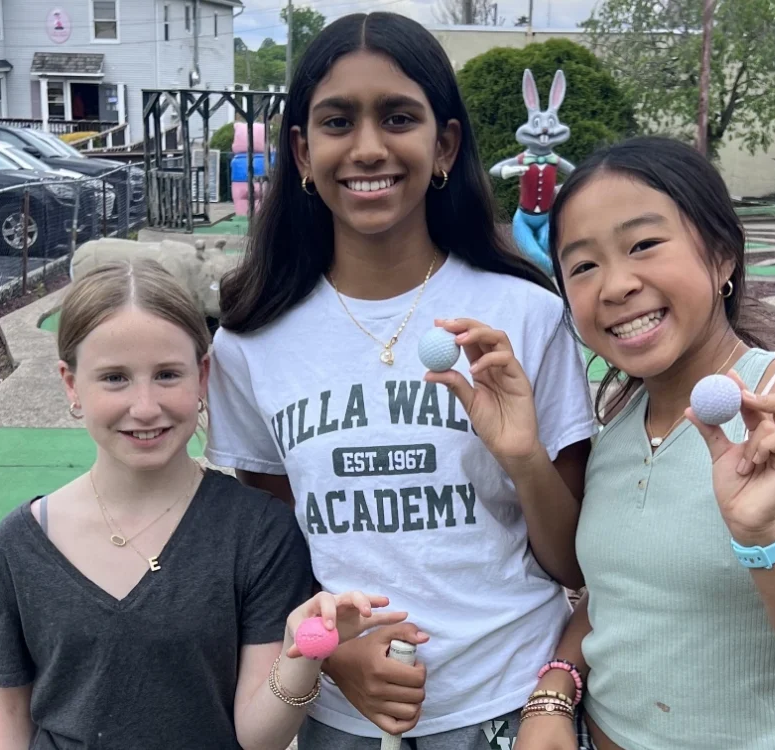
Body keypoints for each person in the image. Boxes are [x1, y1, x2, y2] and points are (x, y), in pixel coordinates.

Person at [205, 11, 598, 749]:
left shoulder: (527, 316)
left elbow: (573, 560)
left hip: (503, 706)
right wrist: (335, 653)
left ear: (444, 144)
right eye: (336, 121)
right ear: (300, 151)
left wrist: (520, 457)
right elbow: (277, 551)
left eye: (398, 117)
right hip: (339, 714)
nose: (368, 147)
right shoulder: (249, 342)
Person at [445, 136, 775, 750]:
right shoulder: (623, 420)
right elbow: (612, 596)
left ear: (723, 255)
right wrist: (555, 689)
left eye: (644, 245)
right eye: (583, 265)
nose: (615, 285)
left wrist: (764, 538)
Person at [0, 260, 403, 750]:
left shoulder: (259, 533)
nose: (144, 406)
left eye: (166, 375)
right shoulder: (17, 546)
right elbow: (10, 715)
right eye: (114, 378)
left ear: (202, 376)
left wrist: (301, 654)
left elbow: (258, 736)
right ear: (72, 384)